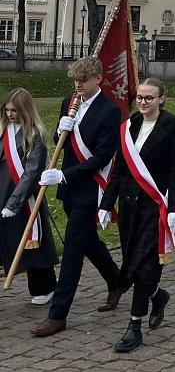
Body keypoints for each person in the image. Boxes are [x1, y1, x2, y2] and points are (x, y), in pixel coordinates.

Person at [32, 56, 123, 337]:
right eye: (75, 80)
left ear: (98, 78)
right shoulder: (69, 103)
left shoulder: (109, 111)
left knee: (72, 250)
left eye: (83, 80)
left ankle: (58, 315)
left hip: (91, 188)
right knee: (89, 243)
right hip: (71, 189)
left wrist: (65, 175)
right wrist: (63, 131)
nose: (78, 85)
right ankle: (118, 281)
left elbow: (104, 155)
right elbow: (66, 146)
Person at [99, 78, 175, 353]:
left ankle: (134, 326)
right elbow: (119, 169)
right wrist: (105, 204)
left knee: (144, 265)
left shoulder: (173, 126)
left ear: (161, 99)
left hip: (154, 207)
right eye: (140, 97)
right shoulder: (128, 126)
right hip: (128, 206)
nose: (143, 102)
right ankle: (158, 297)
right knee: (133, 261)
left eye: (149, 98)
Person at [0, 89, 58, 305]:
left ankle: (46, 287)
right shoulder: (2, 130)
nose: (10, 114)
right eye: (7, 110)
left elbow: (31, 173)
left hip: (24, 198)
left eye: (14, 110)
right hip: (1, 191)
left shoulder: (34, 135)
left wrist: (14, 202)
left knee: (32, 243)